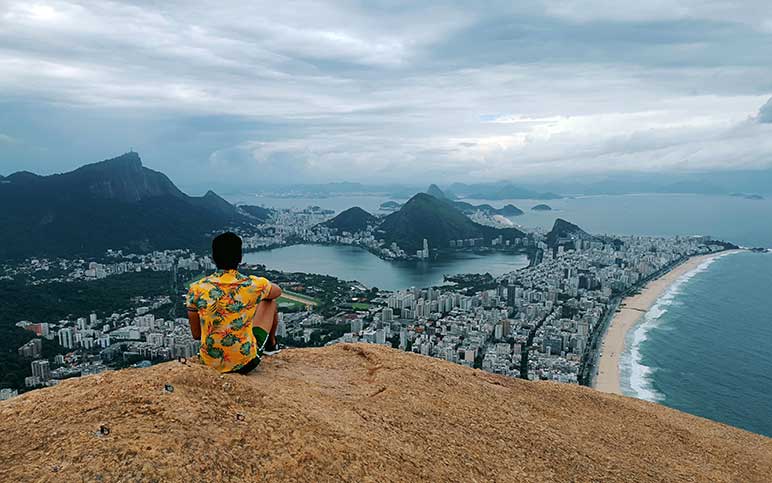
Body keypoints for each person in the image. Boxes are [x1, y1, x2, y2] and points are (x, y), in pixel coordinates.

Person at [186, 232, 282, 374]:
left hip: (209, 363)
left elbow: (196, 334)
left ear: (213, 258)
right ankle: (271, 346)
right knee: (270, 302)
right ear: (240, 258)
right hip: (246, 363)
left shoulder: (196, 289)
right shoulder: (252, 284)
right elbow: (277, 291)